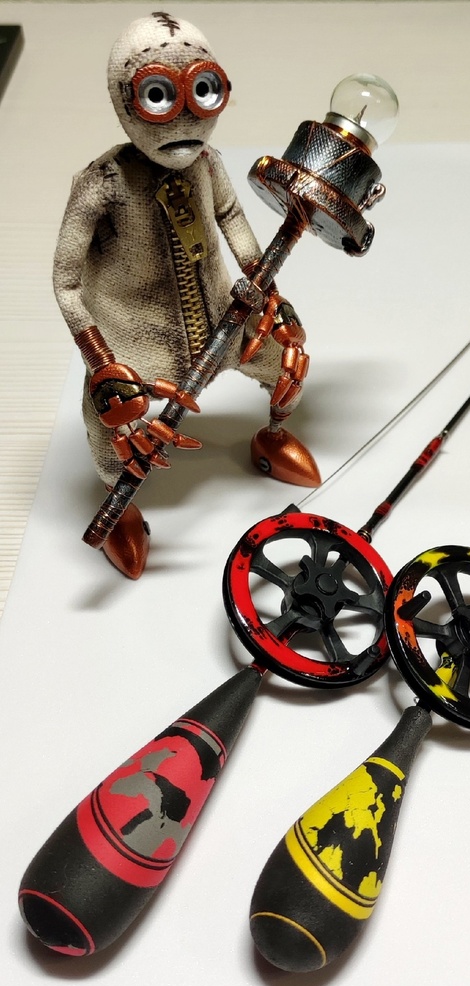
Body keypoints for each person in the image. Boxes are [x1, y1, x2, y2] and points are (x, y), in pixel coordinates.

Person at [53, 12, 318, 579]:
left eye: (201, 91)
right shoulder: (103, 184)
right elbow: (66, 283)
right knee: (109, 432)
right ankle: (121, 508)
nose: (185, 119)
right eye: (158, 95)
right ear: (125, 100)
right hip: (135, 348)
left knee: (288, 361)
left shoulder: (208, 163)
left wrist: (268, 291)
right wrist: (102, 364)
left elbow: (232, 217)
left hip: (227, 319)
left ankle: (271, 437)